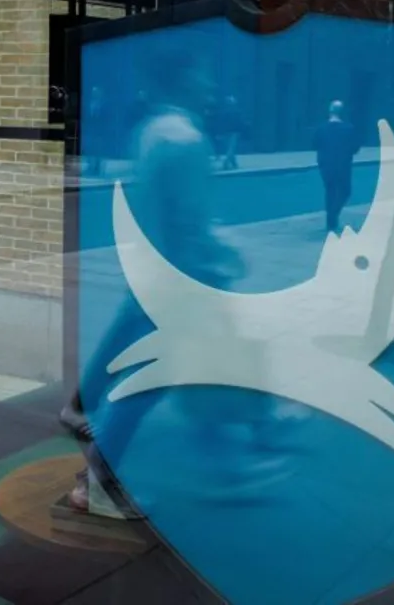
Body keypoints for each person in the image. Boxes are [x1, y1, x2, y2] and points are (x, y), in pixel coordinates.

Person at [59, 47, 244, 512]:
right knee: (150, 380)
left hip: (152, 266)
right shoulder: (185, 139)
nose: (208, 86)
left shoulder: (151, 131)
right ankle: (95, 482)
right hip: (178, 277)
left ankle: (79, 408)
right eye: (201, 75)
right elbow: (192, 225)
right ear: (181, 77)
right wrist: (221, 262)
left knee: (129, 338)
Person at [314, 99, 360, 233]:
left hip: (325, 165)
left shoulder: (321, 128)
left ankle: (330, 221)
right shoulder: (349, 129)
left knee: (329, 191)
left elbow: (315, 144)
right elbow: (355, 148)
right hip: (343, 165)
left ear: (330, 111)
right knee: (345, 191)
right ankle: (334, 214)